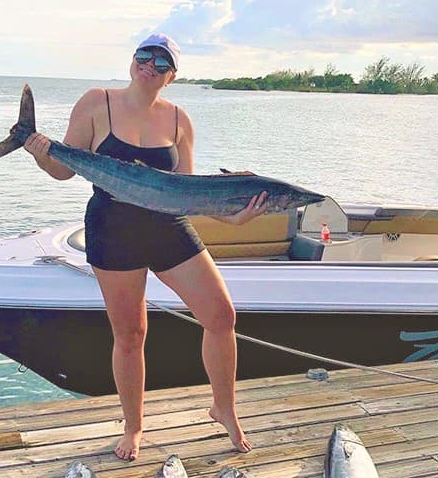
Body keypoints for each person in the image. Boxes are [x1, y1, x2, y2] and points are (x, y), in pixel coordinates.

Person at [23, 33, 265, 461]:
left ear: (172, 76)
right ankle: (133, 427)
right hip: (113, 230)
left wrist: (236, 215)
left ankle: (223, 407)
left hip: (169, 227)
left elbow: (187, 193)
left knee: (221, 315)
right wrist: (41, 153)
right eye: (144, 55)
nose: (149, 65)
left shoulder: (179, 120)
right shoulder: (97, 103)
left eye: (161, 62)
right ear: (132, 60)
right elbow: (64, 170)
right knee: (131, 335)